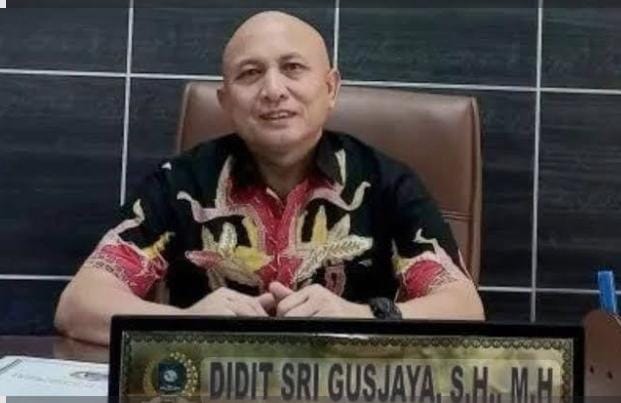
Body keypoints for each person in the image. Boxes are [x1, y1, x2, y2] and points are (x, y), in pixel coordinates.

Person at [55, 11, 484, 345]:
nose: (273, 90)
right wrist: (187, 322)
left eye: (293, 67)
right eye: (250, 73)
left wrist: (360, 317)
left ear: (331, 88)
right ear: (226, 100)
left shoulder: (386, 183)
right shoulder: (180, 183)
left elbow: (463, 309)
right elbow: (79, 305)